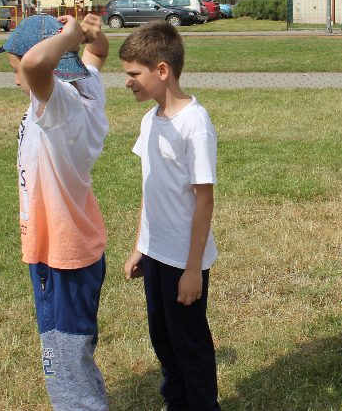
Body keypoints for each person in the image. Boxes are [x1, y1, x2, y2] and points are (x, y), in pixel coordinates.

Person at [0, 13, 110, 410]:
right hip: (77, 243)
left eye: (14, 70)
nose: (16, 79)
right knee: (76, 349)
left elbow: (34, 65)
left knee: (63, 361)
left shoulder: (60, 105)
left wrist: (72, 34)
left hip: (60, 252)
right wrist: (91, 36)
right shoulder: (86, 88)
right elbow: (98, 54)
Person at [120, 21, 221, 411]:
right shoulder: (150, 120)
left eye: (133, 73)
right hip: (155, 253)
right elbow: (150, 187)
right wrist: (139, 246)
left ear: (161, 70)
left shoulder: (195, 124)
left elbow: (204, 201)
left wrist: (193, 270)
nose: (127, 82)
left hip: (183, 259)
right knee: (162, 337)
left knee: (189, 343)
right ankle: (176, 402)